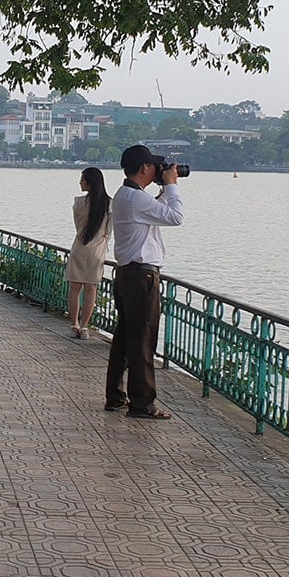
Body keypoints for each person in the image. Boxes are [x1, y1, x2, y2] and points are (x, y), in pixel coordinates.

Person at [105, 145, 183, 420]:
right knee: (142, 340)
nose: (158, 170)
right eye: (154, 166)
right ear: (144, 168)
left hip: (129, 274)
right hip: (142, 276)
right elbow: (175, 217)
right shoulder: (135, 198)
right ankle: (142, 403)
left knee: (125, 339)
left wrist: (164, 187)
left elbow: (155, 210)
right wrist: (171, 186)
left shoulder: (126, 195)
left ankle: (115, 396)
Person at [66, 167, 111, 340]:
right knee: (91, 288)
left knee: (75, 287)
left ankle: (74, 324)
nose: (80, 182)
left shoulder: (79, 203)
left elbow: (78, 226)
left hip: (80, 247)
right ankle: (85, 326)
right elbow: (109, 231)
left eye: (82, 179)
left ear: (90, 183)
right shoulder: (109, 204)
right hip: (97, 251)